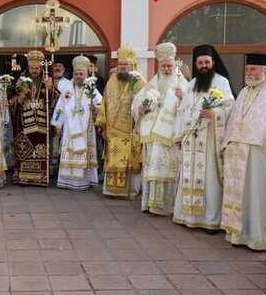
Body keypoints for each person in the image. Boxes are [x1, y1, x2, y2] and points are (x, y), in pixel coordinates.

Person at [221, 53, 266, 250]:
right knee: (240, 195)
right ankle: (239, 234)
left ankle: (258, 237)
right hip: (237, 150)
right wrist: (226, 144)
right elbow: (234, 119)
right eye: (247, 69)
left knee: (258, 195)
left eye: (253, 69)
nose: (249, 72)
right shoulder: (244, 92)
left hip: (259, 153)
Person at [173, 45, 235, 233]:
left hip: (209, 140)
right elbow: (182, 111)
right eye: (200, 62)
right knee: (188, 177)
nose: (203, 65)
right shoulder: (191, 84)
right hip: (190, 140)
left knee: (209, 179)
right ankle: (187, 216)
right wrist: (178, 134)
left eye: (207, 62)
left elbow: (230, 107)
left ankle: (210, 220)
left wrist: (215, 113)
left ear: (213, 62)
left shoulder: (221, 82)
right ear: (196, 64)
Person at [132, 43, 189, 215]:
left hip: (170, 136)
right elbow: (137, 103)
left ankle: (167, 206)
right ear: (159, 66)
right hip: (151, 137)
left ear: (175, 65)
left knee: (168, 170)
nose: (166, 68)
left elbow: (191, 107)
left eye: (169, 65)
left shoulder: (183, 85)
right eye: (163, 65)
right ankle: (150, 204)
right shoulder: (151, 84)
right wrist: (138, 110)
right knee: (152, 169)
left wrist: (183, 98)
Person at [95, 45, 147, 198]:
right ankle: (111, 190)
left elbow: (147, 105)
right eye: (120, 64)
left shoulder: (139, 80)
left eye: (126, 64)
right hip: (113, 132)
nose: (123, 66)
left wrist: (136, 100)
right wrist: (103, 126)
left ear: (132, 65)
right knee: (113, 159)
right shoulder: (112, 80)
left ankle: (129, 189)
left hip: (131, 131)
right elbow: (104, 103)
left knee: (129, 160)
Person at [9, 50, 59, 186]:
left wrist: (51, 89)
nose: (34, 71)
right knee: (24, 149)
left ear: (41, 67)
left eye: (37, 68)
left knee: (40, 150)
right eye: (32, 68)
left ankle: (40, 177)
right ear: (28, 67)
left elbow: (57, 100)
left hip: (42, 124)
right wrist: (18, 100)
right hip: (24, 124)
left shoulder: (47, 80)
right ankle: (22, 176)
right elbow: (10, 102)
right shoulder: (20, 81)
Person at [51, 55, 101, 190]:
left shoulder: (91, 89)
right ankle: (66, 181)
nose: (79, 76)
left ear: (86, 74)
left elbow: (101, 105)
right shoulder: (67, 89)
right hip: (69, 128)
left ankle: (84, 181)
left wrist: (95, 109)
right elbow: (60, 107)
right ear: (73, 74)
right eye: (76, 74)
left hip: (86, 128)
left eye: (81, 74)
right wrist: (57, 124)